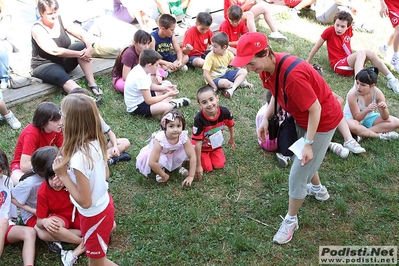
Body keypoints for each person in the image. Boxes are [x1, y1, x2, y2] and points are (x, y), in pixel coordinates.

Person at [231, 32, 343, 244]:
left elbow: (315, 109)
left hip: (322, 121)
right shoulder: (267, 68)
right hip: (303, 118)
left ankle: (291, 220)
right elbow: (275, 93)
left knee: (298, 173)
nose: (248, 69)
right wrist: (266, 117)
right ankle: (319, 190)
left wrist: (309, 143)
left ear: (265, 53)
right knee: (304, 158)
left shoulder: (293, 76)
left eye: (250, 63)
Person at [52, 94, 117, 266]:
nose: (60, 116)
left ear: (71, 121)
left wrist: (64, 176)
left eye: (62, 113)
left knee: (94, 262)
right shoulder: (96, 140)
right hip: (103, 207)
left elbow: (85, 201)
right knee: (98, 259)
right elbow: (105, 175)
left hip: (94, 215)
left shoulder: (79, 159)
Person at [307, 11, 399, 93]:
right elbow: (317, 46)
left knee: (369, 52)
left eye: (342, 26)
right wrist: (307, 62)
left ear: (348, 27)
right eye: (337, 25)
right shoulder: (329, 31)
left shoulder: (350, 30)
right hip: (339, 65)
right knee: (361, 53)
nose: (339, 29)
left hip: (350, 63)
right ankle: (357, 84)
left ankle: (391, 79)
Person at [31, 0, 102, 95]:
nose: (53, 16)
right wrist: (80, 54)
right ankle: (83, 96)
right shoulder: (37, 29)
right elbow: (55, 50)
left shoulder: (60, 20)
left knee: (82, 45)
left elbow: (81, 34)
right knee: (59, 74)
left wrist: (89, 48)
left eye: (55, 12)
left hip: (63, 60)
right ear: (41, 13)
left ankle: (92, 83)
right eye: (49, 13)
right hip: (45, 65)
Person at [33, 146, 84, 266]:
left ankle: (75, 251)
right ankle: (84, 242)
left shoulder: (74, 181)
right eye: (51, 178)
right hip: (61, 219)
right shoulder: (43, 191)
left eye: (59, 177)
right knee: (42, 232)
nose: (56, 182)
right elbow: (39, 221)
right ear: (46, 177)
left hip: (80, 216)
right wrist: (45, 222)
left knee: (111, 225)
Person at [69, 88, 132, 166]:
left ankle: (107, 158)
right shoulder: (74, 122)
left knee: (125, 142)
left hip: (101, 145)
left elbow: (110, 133)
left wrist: (115, 146)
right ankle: (108, 159)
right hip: (88, 151)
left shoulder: (96, 117)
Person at [136, 109, 196, 186]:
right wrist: (164, 175)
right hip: (160, 153)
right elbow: (152, 162)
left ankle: (178, 166)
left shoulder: (183, 136)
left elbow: (192, 155)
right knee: (160, 160)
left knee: (187, 150)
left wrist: (191, 176)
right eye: (171, 126)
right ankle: (160, 170)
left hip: (174, 151)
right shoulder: (160, 139)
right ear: (165, 126)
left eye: (178, 126)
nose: (175, 129)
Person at [124, 48, 190, 117]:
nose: (158, 67)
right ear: (149, 65)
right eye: (156, 65)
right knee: (166, 107)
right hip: (137, 106)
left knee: (167, 84)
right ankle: (171, 105)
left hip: (143, 97)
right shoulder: (141, 77)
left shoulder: (144, 68)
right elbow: (149, 101)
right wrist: (167, 95)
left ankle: (163, 105)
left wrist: (165, 88)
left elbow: (150, 86)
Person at [10, 102, 63, 186]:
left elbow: (64, 150)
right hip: (21, 167)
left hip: (45, 165)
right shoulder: (31, 133)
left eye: (60, 119)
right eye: (56, 120)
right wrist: (51, 164)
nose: (60, 123)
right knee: (24, 184)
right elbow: (24, 166)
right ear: (43, 122)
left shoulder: (56, 129)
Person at [0, 150, 36, 265]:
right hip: (2, 223)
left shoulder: (7, 181)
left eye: (0, 171)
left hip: (5, 227)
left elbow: (11, 204)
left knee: (30, 232)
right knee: (2, 221)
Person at [192, 86, 236, 179]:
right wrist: (198, 165)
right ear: (199, 105)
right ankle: (200, 156)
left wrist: (232, 138)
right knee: (207, 168)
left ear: (217, 98)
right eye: (204, 102)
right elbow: (198, 143)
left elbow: (230, 124)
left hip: (216, 145)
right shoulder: (199, 119)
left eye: (211, 99)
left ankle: (214, 153)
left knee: (219, 165)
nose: (209, 104)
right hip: (202, 148)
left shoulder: (224, 112)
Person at [343, 67, 399, 141]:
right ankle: (379, 136)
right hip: (351, 117)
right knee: (353, 126)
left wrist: (384, 109)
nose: (358, 87)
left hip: (368, 117)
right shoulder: (352, 94)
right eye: (357, 83)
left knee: (396, 122)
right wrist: (367, 110)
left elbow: (385, 117)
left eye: (363, 85)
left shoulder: (378, 93)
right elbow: (357, 117)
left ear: (372, 86)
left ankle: (362, 133)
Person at [11, 146, 59, 229]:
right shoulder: (30, 183)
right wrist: (32, 210)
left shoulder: (57, 174)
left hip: (52, 210)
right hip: (33, 216)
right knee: (51, 229)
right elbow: (12, 198)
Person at [203, 32, 252, 99]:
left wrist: (244, 79)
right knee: (226, 83)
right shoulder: (210, 56)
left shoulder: (229, 54)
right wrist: (214, 87)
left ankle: (232, 88)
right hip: (214, 79)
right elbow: (205, 74)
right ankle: (236, 84)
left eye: (215, 46)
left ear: (224, 47)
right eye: (211, 45)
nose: (212, 48)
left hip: (225, 74)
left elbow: (236, 67)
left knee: (244, 71)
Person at [379, 0, 399, 72]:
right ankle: (395, 58)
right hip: (391, 5)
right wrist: (382, 4)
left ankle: (385, 47)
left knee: (396, 31)